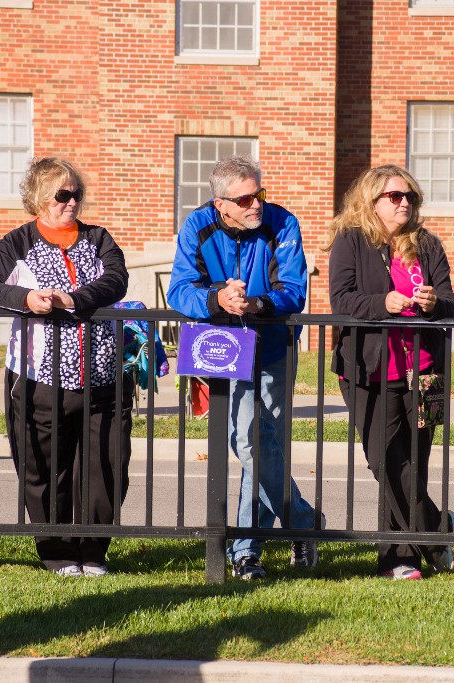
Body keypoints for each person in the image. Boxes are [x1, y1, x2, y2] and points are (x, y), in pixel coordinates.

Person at [0, 157, 132, 577]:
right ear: (41, 197)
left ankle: (93, 554)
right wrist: (27, 298)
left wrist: (72, 299)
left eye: (77, 193)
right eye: (63, 195)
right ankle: (58, 554)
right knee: (44, 468)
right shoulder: (17, 242)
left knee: (106, 466)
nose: (72, 202)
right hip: (41, 379)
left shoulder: (98, 238)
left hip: (103, 378)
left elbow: (116, 280)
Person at [167, 156, 319, 580]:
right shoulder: (198, 226)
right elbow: (180, 289)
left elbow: (294, 290)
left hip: (270, 346)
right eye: (246, 198)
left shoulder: (282, 223)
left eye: (260, 193)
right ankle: (304, 523)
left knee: (259, 443)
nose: (257, 204)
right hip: (222, 348)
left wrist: (256, 303)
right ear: (221, 204)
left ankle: (246, 551)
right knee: (251, 442)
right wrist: (218, 299)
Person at [325, 165, 454, 581]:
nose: (404, 203)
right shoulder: (351, 241)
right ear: (372, 202)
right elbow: (341, 300)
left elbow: (451, 303)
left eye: (410, 197)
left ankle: (399, 559)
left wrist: (433, 301)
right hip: (370, 369)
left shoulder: (427, 245)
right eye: (395, 197)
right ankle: (437, 529)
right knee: (386, 460)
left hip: (424, 371)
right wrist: (383, 304)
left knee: (412, 463)